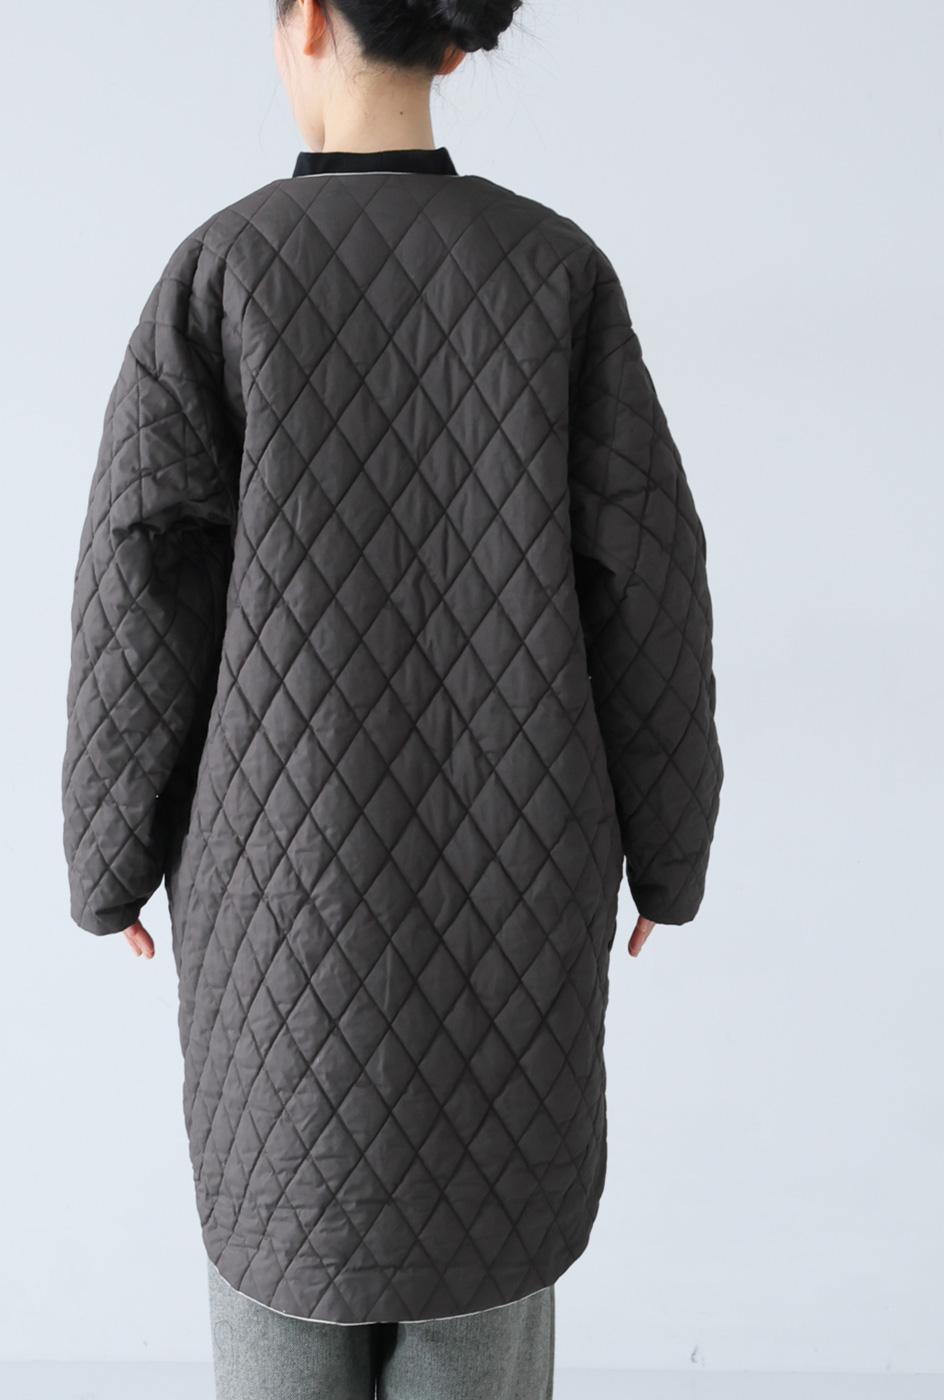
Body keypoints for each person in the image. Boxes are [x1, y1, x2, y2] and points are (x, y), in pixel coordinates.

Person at [61, 0, 723, 1395]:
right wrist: (670, 855)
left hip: (277, 944)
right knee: (486, 1276)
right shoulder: (556, 277)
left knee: (283, 1257)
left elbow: (139, 583)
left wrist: (108, 859)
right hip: (511, 929)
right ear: (459, 44)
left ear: (303, 19)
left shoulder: (224, 272)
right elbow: (651, 583)